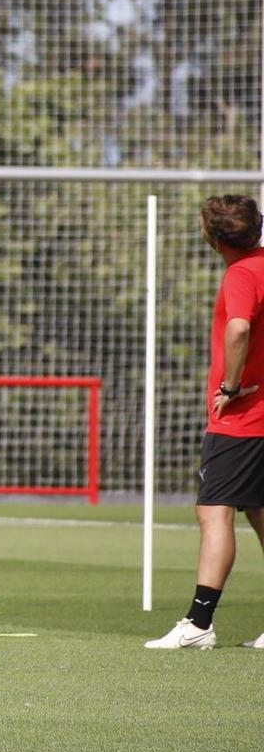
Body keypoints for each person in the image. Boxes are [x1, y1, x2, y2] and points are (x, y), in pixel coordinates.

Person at [146, 194, 264, 650]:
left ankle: (198, 625)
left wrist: (231, 386)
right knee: (259, 513)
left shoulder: (241, 273)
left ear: (214, 239)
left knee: (213, 512)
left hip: (243, 419)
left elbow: (238, 327)